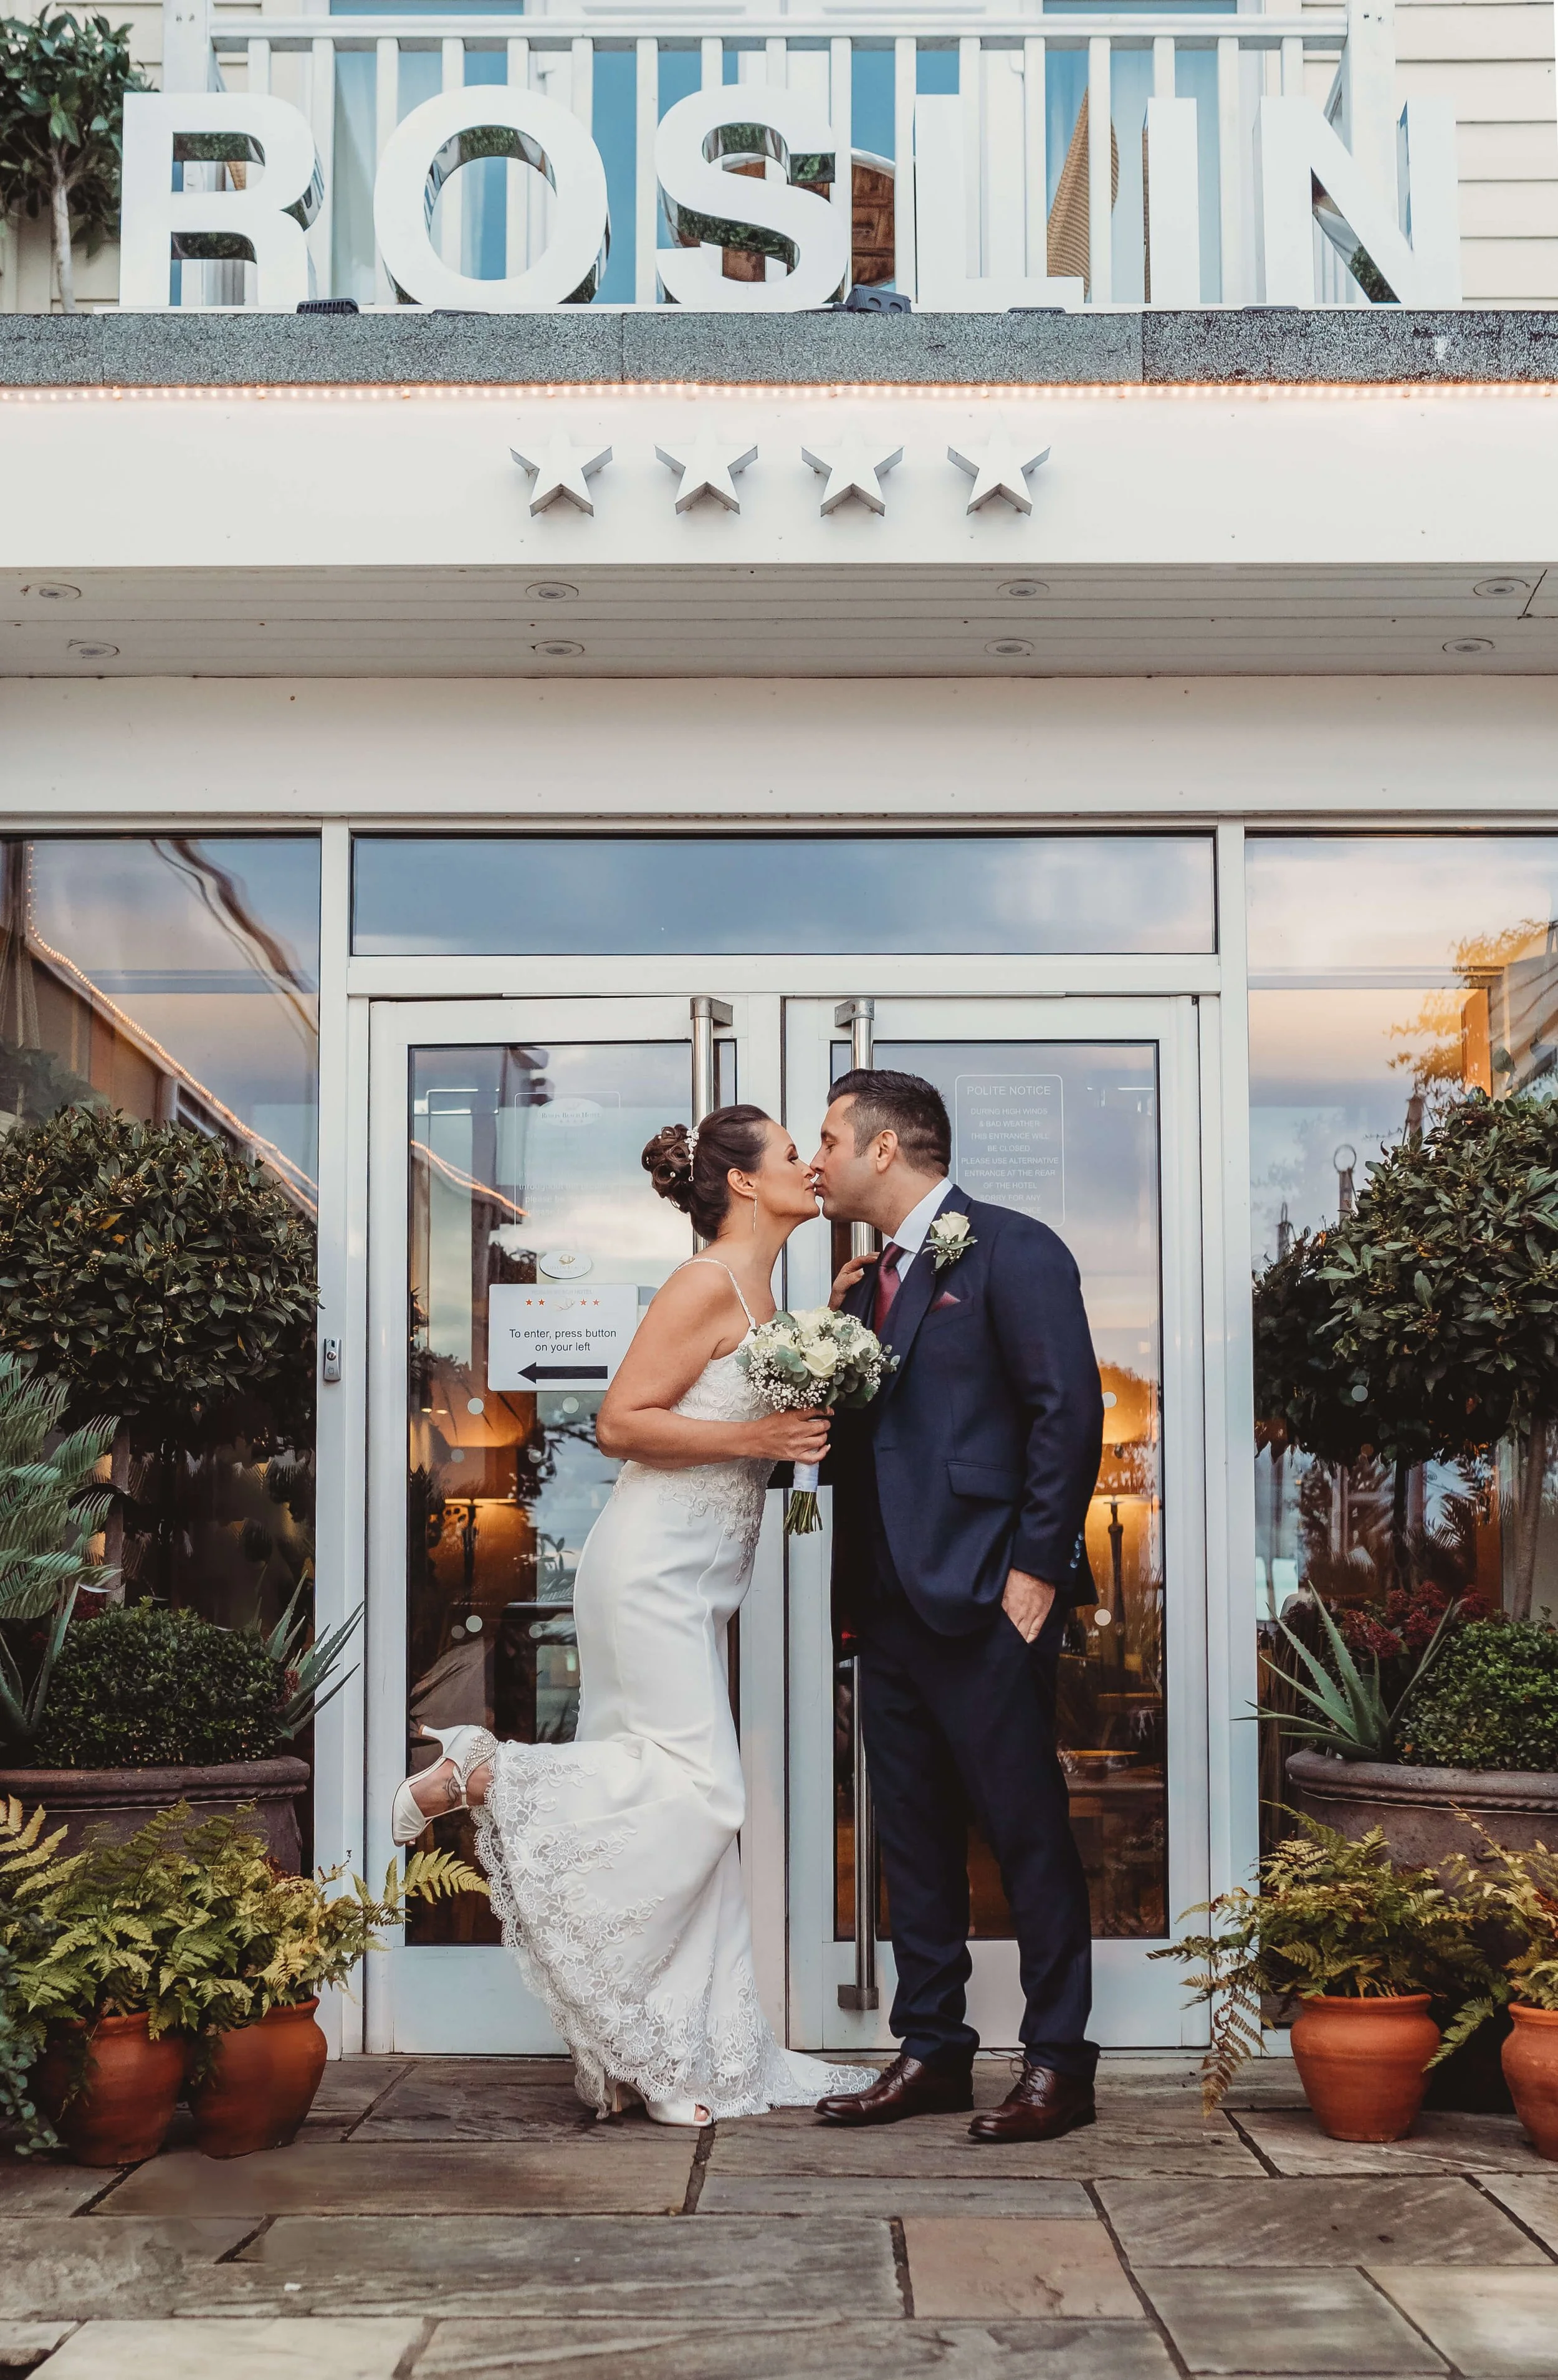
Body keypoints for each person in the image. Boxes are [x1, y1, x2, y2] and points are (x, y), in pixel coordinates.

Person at [389, 1104, 875, 2129]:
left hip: (697, 1580)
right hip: (652, 1568)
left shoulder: (763, 1286)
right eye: (792, 1153)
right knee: (702, 1794)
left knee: (674, 1796)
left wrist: (824, 1325)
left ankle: (675, 2051)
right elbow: (620, 1423)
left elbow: (733, 1400)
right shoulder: (705, 1282)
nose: (808, 1167)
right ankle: (488, 1769)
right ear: (744, 1182)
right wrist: (768, 1431)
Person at [811, 1069, 1105, 2143]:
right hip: (885, 1607)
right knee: (912, 1843)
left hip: (987, 1597)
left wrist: (1034, 1573)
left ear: (886, 1150)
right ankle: (933, 2048)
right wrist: (844, 1326)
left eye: (832, 1137)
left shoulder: (1014, 1249)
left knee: (1026, 1832)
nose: (818, 1157)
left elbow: (1067, 1412)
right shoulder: (866, 1283)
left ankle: (1060, 2063)